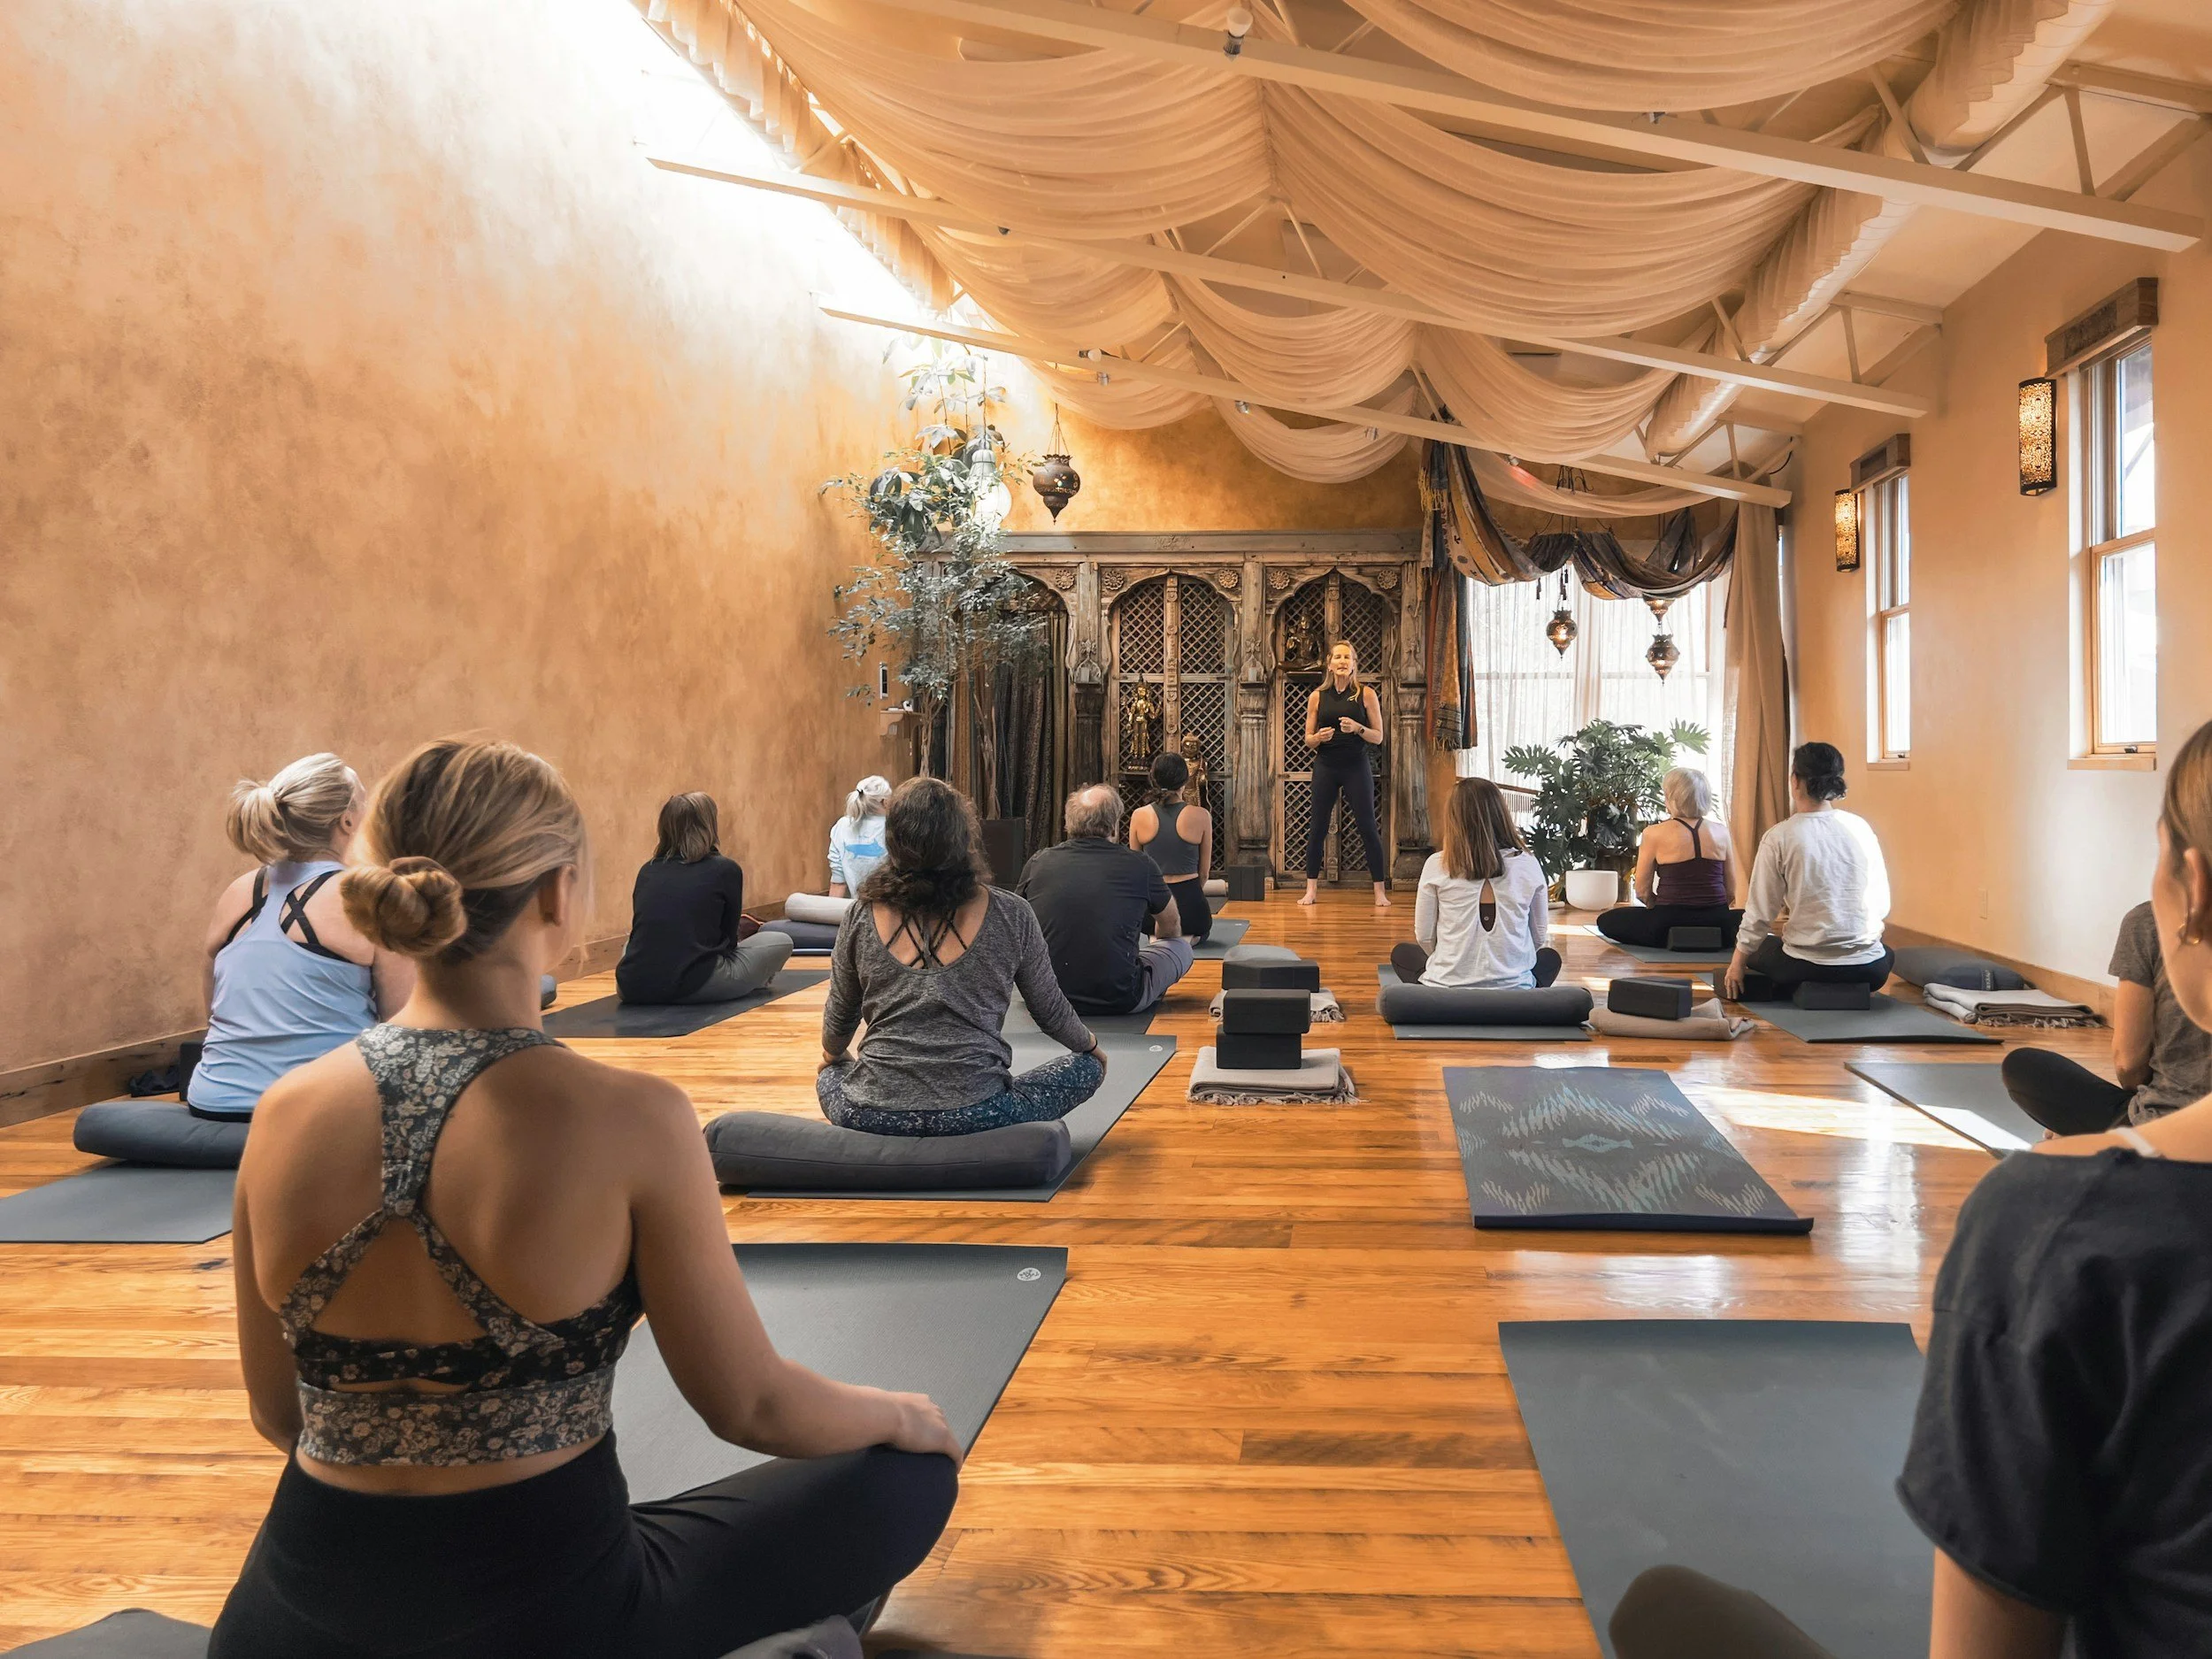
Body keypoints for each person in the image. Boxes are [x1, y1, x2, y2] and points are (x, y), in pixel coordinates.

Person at [214, 737, 959, 1659]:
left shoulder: (284, 1112)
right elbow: (750, 1407)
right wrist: (900, 1416)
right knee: (904, 1479)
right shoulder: (632, 1117)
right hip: (560, 1622)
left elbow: (277, 1416)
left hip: (284, 1629)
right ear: (557, 895)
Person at [1616, 718, 2212, 1658]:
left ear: (2191, 889)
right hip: (1865, 967)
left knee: (1660, 1610)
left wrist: (1732, 975)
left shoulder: (2052, 1231)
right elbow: (1884, 916)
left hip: (1803, 971)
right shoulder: (1862, 835)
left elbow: (1758, 921)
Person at [817, 777, 1103, 1137]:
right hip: (978, 1113)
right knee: (1087, 1068)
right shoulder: (1011, 913)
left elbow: (839, 1018)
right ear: (964, 837)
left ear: (893, 839)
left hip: (872, 1113)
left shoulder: (859, 914)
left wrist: (833, 1056)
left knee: (831, 1072)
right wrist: (1091, 1049)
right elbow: (1050, 1011)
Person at [190, 753, 414, 1119]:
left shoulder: (238, 890)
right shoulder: (369, 897)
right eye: (364, 800)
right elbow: (403, 1028)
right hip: (320, 1110)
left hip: (214, 1100)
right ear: (347, 821)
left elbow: (213, 1007)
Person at [2001, 901, 2212, 1135]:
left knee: (2024, 1067)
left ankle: (2111, 1142)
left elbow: (2128, 1063)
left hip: (2165, 1132)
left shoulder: (2153, 919)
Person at [1722, 743, 1893, 1003]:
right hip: (1871, 970)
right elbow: (1881, 905)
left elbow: (1760, 913)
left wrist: (1736, 964)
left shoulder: (1780, 836)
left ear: (1795, 781)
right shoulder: (1860, 827)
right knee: (1887, 952)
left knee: (1760, 950)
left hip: (1806, 968)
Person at [1019, 785, 1194, 1016]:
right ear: (1114, 825)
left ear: (1068, 823)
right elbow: (1171, 926)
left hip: (1048, 999)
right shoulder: (1141, 864)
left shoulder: (1038, 862)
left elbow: (1015, 927)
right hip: (1121, 997)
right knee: (1182, 947)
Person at [615, 794, 791, 1006]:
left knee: (630, 944)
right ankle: (753, 982)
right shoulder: (726, 869)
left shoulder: (647, 870)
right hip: (697, 985)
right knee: (781, 940)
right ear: (709, 825)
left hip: (631, 987)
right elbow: (729, 939)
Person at [1391, 777, 1561, 989]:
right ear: (1501, 814)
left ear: (1453, 818)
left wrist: (1455, 962)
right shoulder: (1528, 863)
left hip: (1447, 990)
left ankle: (1448, 989)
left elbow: (1425, 937)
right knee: (1549, 959)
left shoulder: (1437, 864)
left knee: (1403, 955)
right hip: (1515, 992)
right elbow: (1538, 936)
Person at [1595, 767, 1741, 949]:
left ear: (1672, 798)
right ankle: (1708, 937)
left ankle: (1674, 937)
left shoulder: (1654, 833)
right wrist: (1709, 913)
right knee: (1746, 919)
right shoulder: (1721, 832)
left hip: (1668, 922)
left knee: (1607, 920)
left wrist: (1660, 910)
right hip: (1719, 924)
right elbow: (1731, 892)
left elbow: (1642, 891)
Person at [1300, 640, 1393, 909]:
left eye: (1347, 657)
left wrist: (1358, 728)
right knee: (1317, 828)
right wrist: (1318, 737)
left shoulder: (1366, 694)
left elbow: (1378, 737)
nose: (1342, 661)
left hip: (1356, 766)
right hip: (1326, 766)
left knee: (1367, 827)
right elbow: (1308, 739)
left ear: (1354, 663)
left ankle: (1379, 892)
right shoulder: (1318, 696)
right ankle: (1311, 890)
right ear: (1329, 664)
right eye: (1337, 657)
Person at [1130, 751, 1213, 945]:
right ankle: (1182, 937)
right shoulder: (1201, 815)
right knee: (1199, 928)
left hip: (1154, 913)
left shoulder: (1139, 815)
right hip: (1192, 911)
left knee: (1155, 925)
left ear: (1153, 779)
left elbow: (1136, 872)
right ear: (1185, 780)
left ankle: (1161, 935)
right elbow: (1204, 874)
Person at [828, 775, 892, 898]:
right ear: (885, 802)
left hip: (856, 908)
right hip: (889, 909)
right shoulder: (894, 826)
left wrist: (828, 914)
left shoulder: (842, 826)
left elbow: (838, 881)